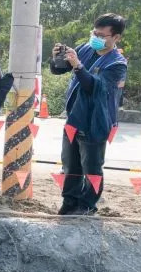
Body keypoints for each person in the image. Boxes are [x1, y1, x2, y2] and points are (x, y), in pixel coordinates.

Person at [49, 13, 127, 215]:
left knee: (91, 167)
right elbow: (59, 70)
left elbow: (94, 87)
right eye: (94, 32)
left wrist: (78, 65)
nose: (96, 37)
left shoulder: (117, 63)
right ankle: (69, 201)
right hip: (73, 117)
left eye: (101, 34)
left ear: (115, 38)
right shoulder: (86, 48)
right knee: (70, 163)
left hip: (95, 120)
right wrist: (58, 57)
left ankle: (87, 206)